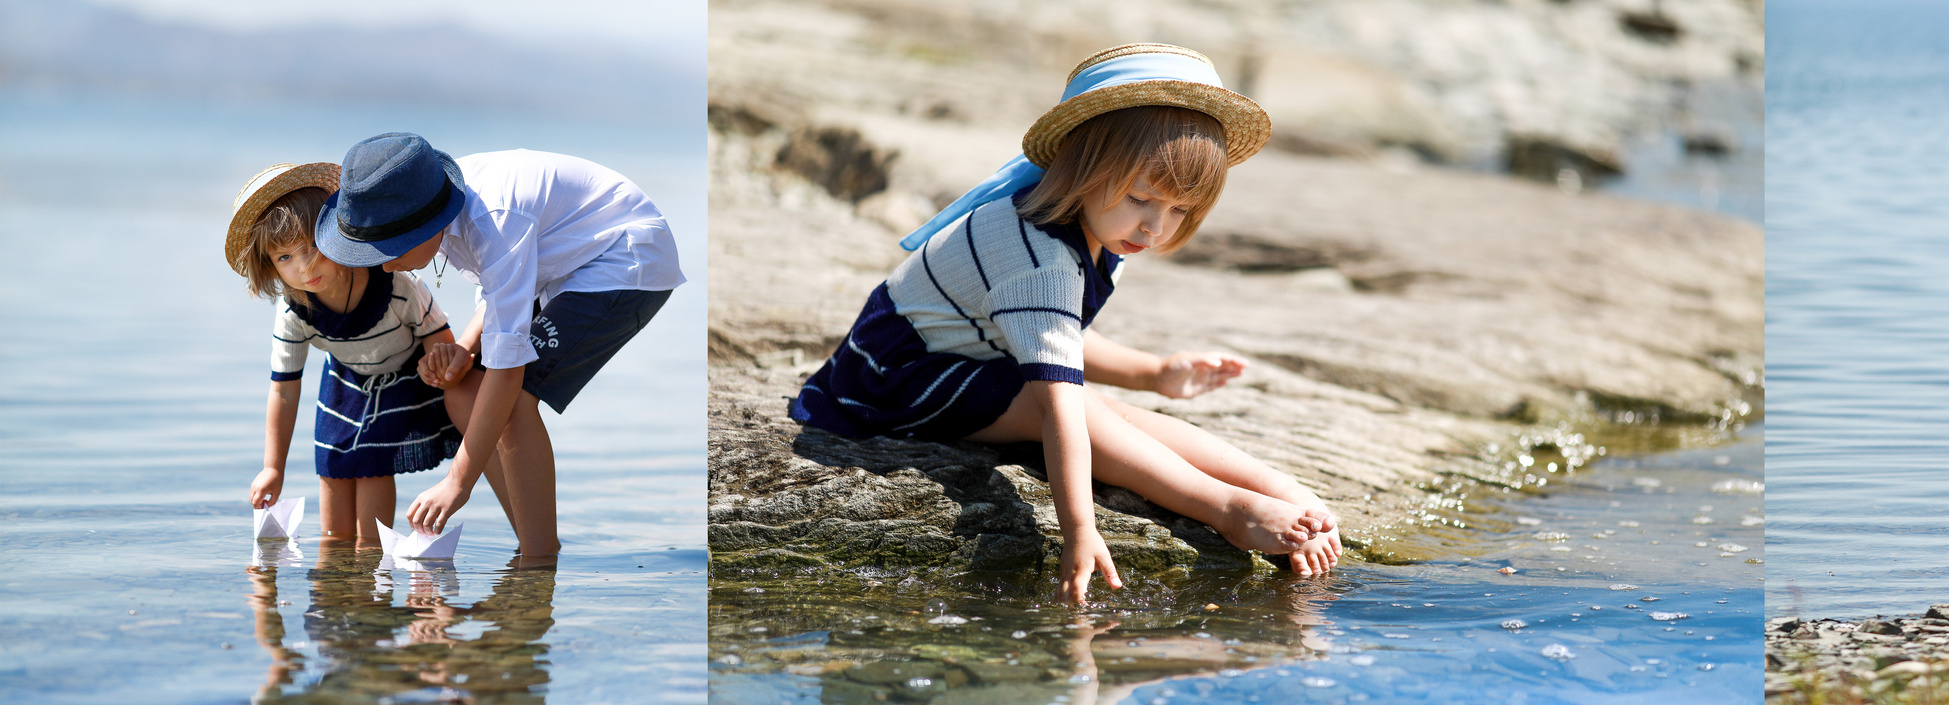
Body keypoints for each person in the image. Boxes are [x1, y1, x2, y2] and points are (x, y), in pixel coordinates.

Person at [791, 43, 1342, 601]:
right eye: (1141, 198)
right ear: (1086, 166)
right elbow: (1057, 402)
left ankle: (1278, 488)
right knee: (1076, 409)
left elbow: (1057, 335)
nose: (1155, 227)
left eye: (1179, 211)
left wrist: (1154, 373)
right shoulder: (1040, 256)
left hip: (979, 354)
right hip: (898, 377)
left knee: (1112, 413)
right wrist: (1080, 529)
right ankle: (1227, 508)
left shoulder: (1101, 229)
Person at [312, 133, 685, 560]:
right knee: (463, 390)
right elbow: (502, 293)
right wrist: (464, 349)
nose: (382, 266)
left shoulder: (494, 219)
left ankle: (539, 558)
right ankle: (531, 544)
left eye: (387, 250)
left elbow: (508, 368)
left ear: (424, 226)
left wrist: (457, 483)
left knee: (516, 401)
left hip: (624, 258)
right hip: (567, 266)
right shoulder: (435, 197)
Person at [228, 162, 471, 547]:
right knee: (332, 466)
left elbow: (439, 336)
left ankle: (372, 561)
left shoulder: (395, 283)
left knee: (372, 469)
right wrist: (273, 468)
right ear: (268, 265)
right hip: (344, 378)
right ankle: (335, 568)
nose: (305, 268)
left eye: (311, 249)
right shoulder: (293, 310)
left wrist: (436, 363)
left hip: (402, 379)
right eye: (285, 258)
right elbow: (284, 390)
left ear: (335, 234)